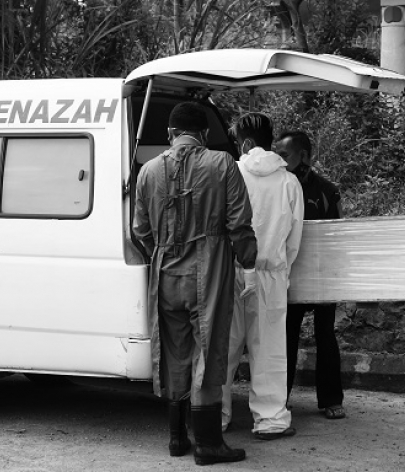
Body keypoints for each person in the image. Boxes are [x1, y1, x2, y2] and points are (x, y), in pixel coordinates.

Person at [132, 101, 258, 465]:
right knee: (209, 349)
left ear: (170, 134)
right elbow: (239, 224)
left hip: (165, 273)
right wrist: (248, 263)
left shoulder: (148, 172)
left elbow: (140, 231)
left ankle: (175, 438)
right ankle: (207, 443)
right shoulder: (222, 165)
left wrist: (163, 251)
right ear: (204, 135)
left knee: (174, 352)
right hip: (209, 270)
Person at [221, 113, 304, 440]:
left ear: (244, 143)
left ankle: (215, 416)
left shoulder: (230, 174)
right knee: (268, 350)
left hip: (231, 273)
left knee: (223, 348)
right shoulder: (289, 182)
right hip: (270, 275)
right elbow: (294, 239)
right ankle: (270, 421)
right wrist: (280, 269)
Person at [275, 131, 346, 421]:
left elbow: (338, 236)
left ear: (304, 156)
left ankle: (331, 399)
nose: (280, 161)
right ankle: (279, 400)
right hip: (289, 276)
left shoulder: (328, 191)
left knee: (325, 336)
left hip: (322, 277)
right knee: (286, 338)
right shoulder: (277, 188)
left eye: (285, 156)